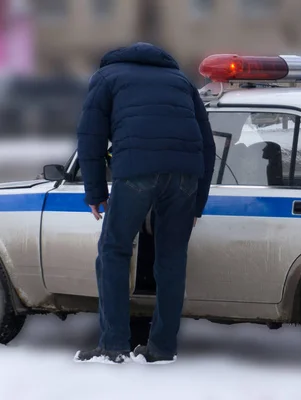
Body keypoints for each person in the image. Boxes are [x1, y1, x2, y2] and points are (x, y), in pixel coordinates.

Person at [73, 42, 216, 365]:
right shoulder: (181, 81)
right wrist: (197, 204)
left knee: (114, 251)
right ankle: (163, 347)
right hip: (185, 176)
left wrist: (95, 192)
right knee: (171, 259)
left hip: (137, 171)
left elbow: (90, 137)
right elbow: (207, 144)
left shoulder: (107, 76)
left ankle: (113, 345)